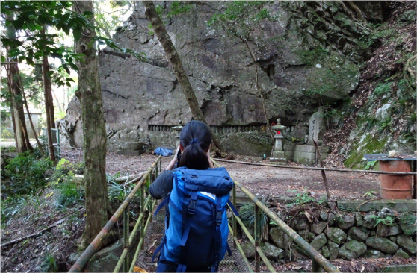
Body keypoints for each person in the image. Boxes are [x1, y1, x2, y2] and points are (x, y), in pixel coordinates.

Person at [149, 120, 225, 272]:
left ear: (181, 147)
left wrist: (171, 164)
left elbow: (154, 191)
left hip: (174, 262)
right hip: (206, 262)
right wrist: (210, 165)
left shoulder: (173, 177)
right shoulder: (219, 181)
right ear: (209, 147)